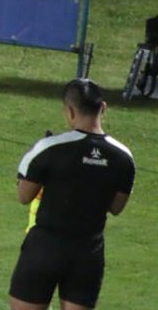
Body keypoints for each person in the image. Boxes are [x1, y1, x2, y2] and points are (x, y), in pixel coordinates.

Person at [9, 78, 134, 310]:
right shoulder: (123, 157)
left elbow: (24, 195)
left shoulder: (50, 147)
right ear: (103, 108)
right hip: (88, 252)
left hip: (44, 247)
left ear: (69, 111)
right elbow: (117, 207)